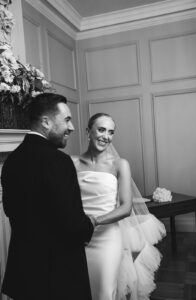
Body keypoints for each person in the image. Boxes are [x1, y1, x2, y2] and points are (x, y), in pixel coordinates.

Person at [1, 93, 95, 300]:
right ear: (46, 122)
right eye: (67, 120)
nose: (71, 127)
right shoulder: (59, 162)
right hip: (59, 277)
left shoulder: (11, 161)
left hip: (24, 274)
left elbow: (9, 209)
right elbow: (72, 224)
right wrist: (89, 224)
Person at [72, 113, 166, 300]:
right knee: (80, 290)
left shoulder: (120, 165)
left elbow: (125, 207)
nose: (106, 136)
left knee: (105, 292)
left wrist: (93, 222)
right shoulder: (72, 163)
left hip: (106, 238)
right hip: (78, 238)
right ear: (87, 132)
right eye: (101, 129)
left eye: (111, 132)